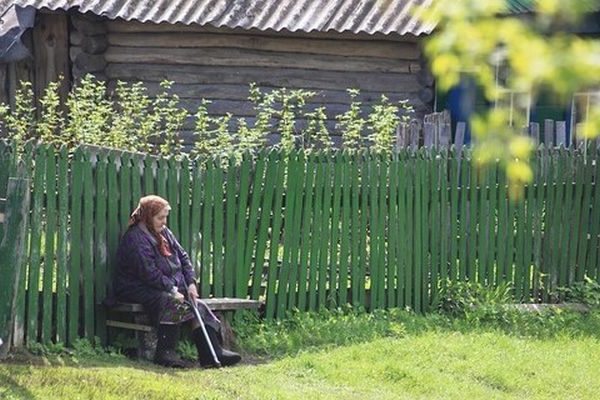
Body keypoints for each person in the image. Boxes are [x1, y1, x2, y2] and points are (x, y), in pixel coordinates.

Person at [113, 194, 241, 368]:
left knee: (198, 304)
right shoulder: (136, 238)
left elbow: (183, 257)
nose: (164, 222)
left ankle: (211, 353)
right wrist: (173, 289)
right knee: (172, 303)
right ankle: (165, 353)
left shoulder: (164, 232)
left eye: (165, 217)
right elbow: (148, 273)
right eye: (160, 217)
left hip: (164, 286)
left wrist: (190, 283)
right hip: (136, 288)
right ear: (147, 217)